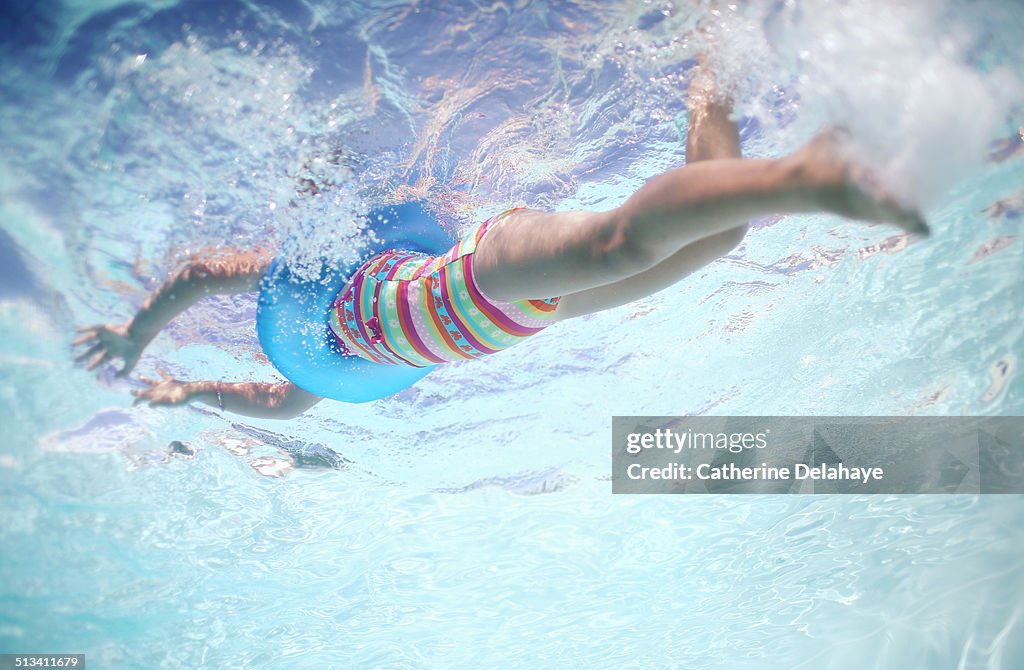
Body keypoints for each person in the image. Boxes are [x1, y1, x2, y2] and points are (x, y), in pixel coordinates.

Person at [73, 65, 927, 419]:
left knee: (623, 243)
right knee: (716, 243)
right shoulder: (323, 366)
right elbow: (284, 402)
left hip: (472, 271)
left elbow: (193, 274)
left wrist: (134, 335)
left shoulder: (317, 270)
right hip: (511, 320)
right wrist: (188, 393)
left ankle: (810, 175)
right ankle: (711, 91)